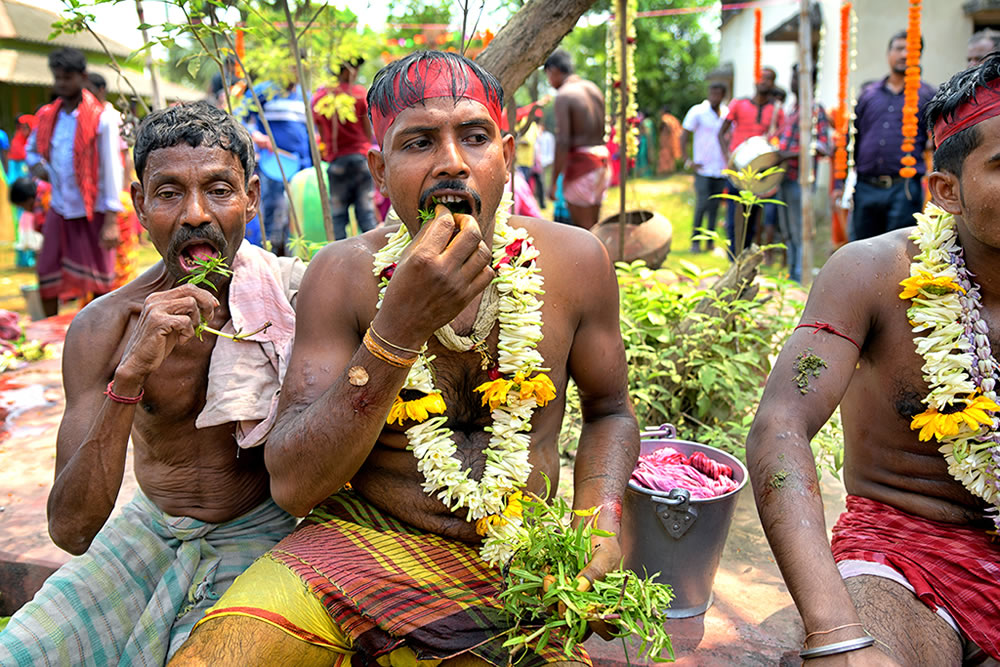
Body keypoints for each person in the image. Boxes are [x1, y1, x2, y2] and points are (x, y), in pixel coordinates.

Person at [170, 50, 639, 666]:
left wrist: (598, 518)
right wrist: (397, 330)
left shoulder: (577, 261)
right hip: (358, 541)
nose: (451, 163)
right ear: (380, 172)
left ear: (507, 155)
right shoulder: (341, 274)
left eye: (474, 136)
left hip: (522, 552)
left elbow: (610, 412)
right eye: (419, 142)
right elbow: (292, 483)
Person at [0, 102, 299, 665]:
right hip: (150, 528)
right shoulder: (103, 327)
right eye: (168, 194)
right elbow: (71, 530)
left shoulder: (290, 299)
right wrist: (131, 374)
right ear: (139, 204)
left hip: (264, 529)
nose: (194, 214)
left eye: (218, 189)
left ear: (252, 198)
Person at [746, 55, 1000, 666]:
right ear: (947, 192)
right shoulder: (872, 274)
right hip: (908, 552)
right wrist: (836, 631)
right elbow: (780, 425)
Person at [25, 47, 123, 317]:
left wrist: (112, 221)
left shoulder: (102, 118)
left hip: (95, 210)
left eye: (67, 78)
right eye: (57, 78)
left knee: (101, 281)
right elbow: (32, 150)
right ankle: (50, 334)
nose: (61, 84)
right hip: (60, 206)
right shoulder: (47, 116)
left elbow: (112, 168)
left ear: (82, 77)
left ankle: (101, 337)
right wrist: (37, 167)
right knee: (47, 273)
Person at [846, 31, 935, 242]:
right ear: (888, 53)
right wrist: (843, 184)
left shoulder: (928, 95)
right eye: (899, 48)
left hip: (904, 189)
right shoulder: (868, 94)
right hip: (866, 186)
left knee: (898, 252)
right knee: (863, 251)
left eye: (911, 50)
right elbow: (852, 138)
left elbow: (936, 143)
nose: (905, 54)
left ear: (919, 56)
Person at [774, 63, 831, 283]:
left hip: (801, 181)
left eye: (797, 77)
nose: (792, 82)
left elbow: (822, 147)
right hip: (784, 179)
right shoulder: (793, 109)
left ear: (810, 82)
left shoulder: (815, 109)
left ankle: (800, 278)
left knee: (799, 232)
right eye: (793, 77)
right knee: (787, 231)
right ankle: (792, 275)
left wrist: (787, 155)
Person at [718, 66, 783, 256]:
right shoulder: (738, 104)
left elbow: (780, 139)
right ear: (756, 81)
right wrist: (727, 157)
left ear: (773, 83)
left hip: (759, 172)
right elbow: (721, 133)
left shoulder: (777, 110)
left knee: (753, 218)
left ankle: (745, 257)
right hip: (738, 169)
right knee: (734, 216)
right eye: (762, 77)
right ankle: (734, 258)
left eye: (769, 78)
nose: (764, 81)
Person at [245, 72, 312, 256]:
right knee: (274, 212)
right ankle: (269, 256)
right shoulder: (263, 91)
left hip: (301, 166)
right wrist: (255, 134)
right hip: (273, 165)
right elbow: (241, 115)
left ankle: (295, 258)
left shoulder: (303, 95)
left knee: (297, 215)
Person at [313, 57, 377, 241]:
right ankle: (375, 264)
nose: (355, 73)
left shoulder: (321, 98)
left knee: (338, 217)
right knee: (366, 214)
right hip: (360, 160)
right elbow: (367, 130)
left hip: (337, 162)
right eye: (353, 68)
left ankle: (338, 262)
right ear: (344, 70)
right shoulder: (357, 93)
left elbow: (322, 136)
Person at [544, 48, 609, 230]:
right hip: (602, 160)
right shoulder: (593, 89)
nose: (550, 82)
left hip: (583, 165)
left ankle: (597, 259)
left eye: (548, 76)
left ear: (553, 70)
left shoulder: (564, 95)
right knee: (594, 225)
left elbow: (563, 140)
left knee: (585, 230)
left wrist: (554, 182)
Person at [681, 82, 729, 253]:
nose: (715, 96)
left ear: (723, 95)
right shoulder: (698, 111)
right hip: (702, 167)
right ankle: (695, 241)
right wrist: (687, 160)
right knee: (702, 204)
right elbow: (684, 134)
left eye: (718, 93)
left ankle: (709, 241)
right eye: (712, 92)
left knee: (715, 205)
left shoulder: (727, 113)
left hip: (720, 168)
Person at [657, 107, 682, 176]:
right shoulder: (674, 119)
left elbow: (666, 124)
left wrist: (664, 130)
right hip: (674, 140)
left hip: (666, 140)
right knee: (671, 157)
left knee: (665, 155)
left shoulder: (665, 118)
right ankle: (670, 171)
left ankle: (665, 172)